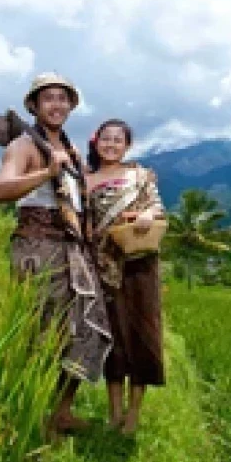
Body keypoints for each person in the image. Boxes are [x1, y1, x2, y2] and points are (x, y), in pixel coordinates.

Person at [0, 72, 112, 436]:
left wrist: (135, 180)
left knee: (85, 328)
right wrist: (47, 171)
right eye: (49, 98)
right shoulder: (24, 146)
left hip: (73, 247)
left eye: (63, 98)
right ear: (34, 105)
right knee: (42, 332)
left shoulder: (71, 150)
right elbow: (1, 189)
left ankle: (61, 412)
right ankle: (29, 413)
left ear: (71, 106)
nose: (56, 105)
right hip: (37, 246)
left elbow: (85, 189)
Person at [85, 119, 166, 435]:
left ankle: (133, 414)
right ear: (97, 142)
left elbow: (158, 208)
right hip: (103, 266)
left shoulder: (141, 176)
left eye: (118, 140)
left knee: (142, 335)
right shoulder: (86, 180)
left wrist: (148, 214)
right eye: (106, 139)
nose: (111, 144)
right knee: (113, 339)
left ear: (127, 145)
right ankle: (114, 412)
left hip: (139, 264)